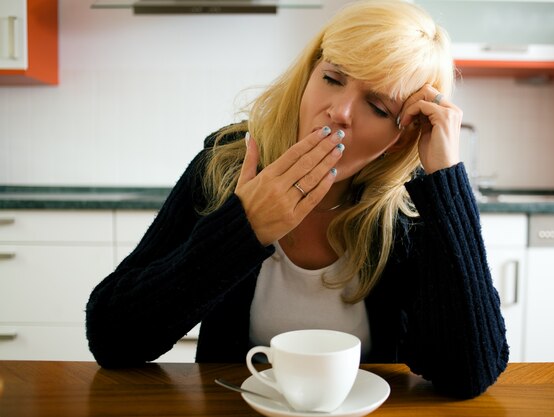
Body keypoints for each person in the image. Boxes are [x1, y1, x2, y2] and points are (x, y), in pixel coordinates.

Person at [86, 0, 508, 399]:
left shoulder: (408, 208)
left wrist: (445, 180)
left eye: (378, 106)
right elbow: (111, 338)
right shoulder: (224, 167)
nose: (340, 111)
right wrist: (243, 230)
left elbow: (467, 374)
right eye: (332, 78)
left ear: (402, 138)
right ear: (308, 76)